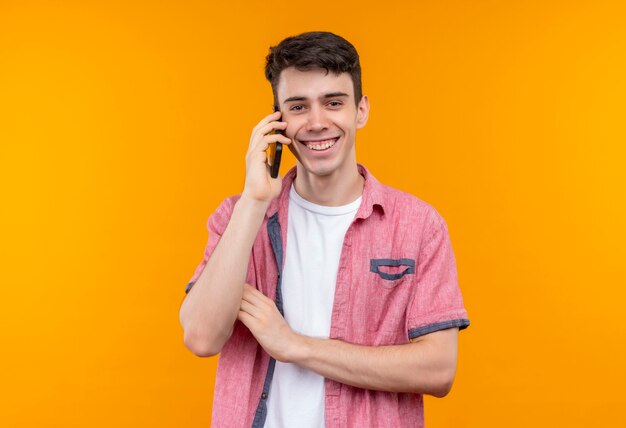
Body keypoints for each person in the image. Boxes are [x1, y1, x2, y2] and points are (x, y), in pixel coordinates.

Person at [179, 31, 470, 428]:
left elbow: (438, 370)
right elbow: (201, 337)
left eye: (334, 103)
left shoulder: (418, 225)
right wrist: (253, 200)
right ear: (276, 120)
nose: (317, 123)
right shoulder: (238, 216)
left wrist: (295, 346)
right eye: (298, 107)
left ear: (361, 110)